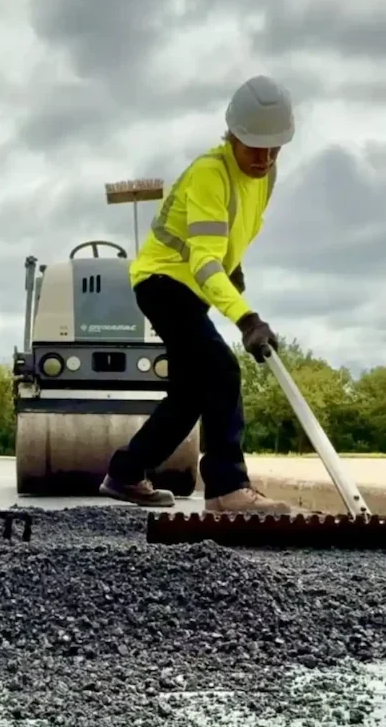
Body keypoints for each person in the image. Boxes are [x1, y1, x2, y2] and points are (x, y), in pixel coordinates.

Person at [100, 75, 295, 513]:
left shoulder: (266, 174)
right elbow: (204, 262)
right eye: (254, 147)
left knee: (191, 393)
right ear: (233, 134)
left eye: (274, 149)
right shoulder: (210, 173)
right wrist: (246, 319)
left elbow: (232, 232)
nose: (264, 158)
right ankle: (227, 488)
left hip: (188, 287)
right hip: (163, 283)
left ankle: (126, 473)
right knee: (222, 371)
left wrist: (235, 265)